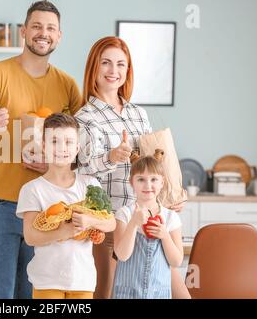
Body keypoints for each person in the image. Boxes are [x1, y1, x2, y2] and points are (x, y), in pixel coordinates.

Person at [0, 0, 82, 299]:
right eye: (37, 26)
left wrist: (56, 166)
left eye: (50, 28)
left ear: (59, 36)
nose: (43, 33)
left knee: (35, 296)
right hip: (0, 203)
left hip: (46, 206)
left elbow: (79, 148)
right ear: (24, 31)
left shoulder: (67, 86)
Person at [75, 36, 190, 299]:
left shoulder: (138, 113)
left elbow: (152, 166)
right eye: (106, 63)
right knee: (106, 293)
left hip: (150, 220)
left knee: (178, 292)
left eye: (120, 65)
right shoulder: (84, 117)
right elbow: (82, 171)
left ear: (128, 71)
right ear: (94, 67)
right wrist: (112, 157)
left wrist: (169, 195)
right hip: (112, 222)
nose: (113, 71)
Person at [16, 113, 116, 299]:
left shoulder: (90, 184)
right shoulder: (32, 189)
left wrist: (89, 220)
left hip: (83, 280)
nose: (62, 148)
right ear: (44, 146)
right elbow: (30, 237)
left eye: (69, 142)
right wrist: (65, 232)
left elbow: (110, 223)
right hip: (47, 281)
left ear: (77, 147)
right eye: (54, 141)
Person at [112, 153, 184, 298]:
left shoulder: (170, 217)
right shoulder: (124, 214)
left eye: (154, 179)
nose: (148, 185)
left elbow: (176, 261)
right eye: (141, 179)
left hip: (159, 294)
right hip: (127, 294)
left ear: (162, 183)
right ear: (132, 182)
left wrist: (165, 236)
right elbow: (122, 255)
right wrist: (133, 223)